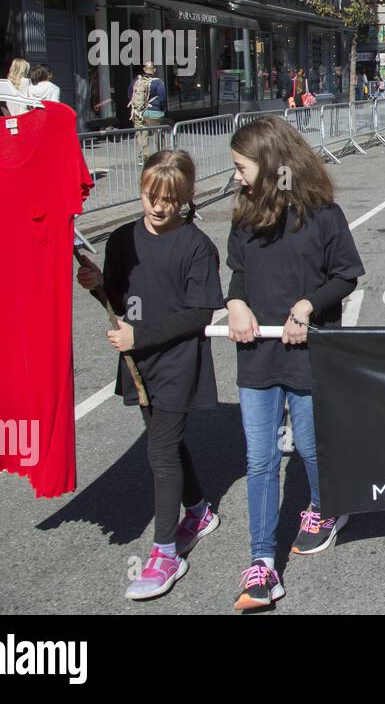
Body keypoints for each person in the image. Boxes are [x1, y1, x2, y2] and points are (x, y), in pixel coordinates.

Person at [225, 116, 365, 610]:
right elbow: (239, 272)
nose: (237, 177)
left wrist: (308, 306)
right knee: (259, 459)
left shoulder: (323, 214)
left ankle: (326, 507)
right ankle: (262, 561)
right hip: (256, 353)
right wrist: (235, 303)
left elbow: (347, 274)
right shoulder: (245, 212)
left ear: (269, 163)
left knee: (309, 445)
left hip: (309, 351)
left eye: (242, 167)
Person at [76, 150, 224, 600]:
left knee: (159, 451)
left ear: (186, 197)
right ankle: (198, 509)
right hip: (138, 364)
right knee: (169, 442)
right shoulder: (122, 239)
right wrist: (99, 284)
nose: (158, 207)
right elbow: (120, 299)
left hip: (179, 361)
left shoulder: (198, 247)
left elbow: (200, 313)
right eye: (150, 196)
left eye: (170, 199)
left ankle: (165, 554)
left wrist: (138, 337)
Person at [129, 62, 169, 162]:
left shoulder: (136, 80)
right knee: (158, 133)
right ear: (154, 70)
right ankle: (161, 156)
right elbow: (163, 98)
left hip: (137, 112)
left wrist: (139, 105)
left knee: (141, 135)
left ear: (144, 69)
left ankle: (144, 158)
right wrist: (161, 108)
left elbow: (129, 94)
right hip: (153, 112)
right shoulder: (158, 82)